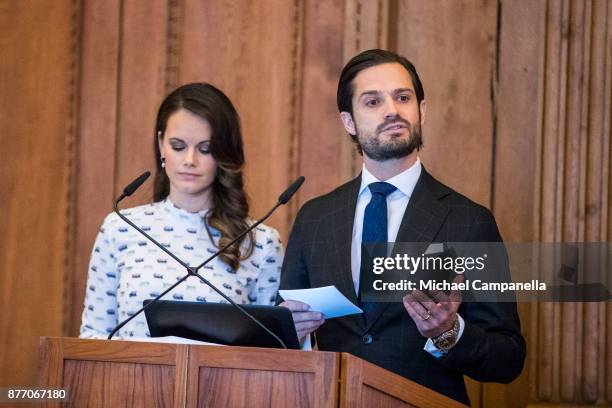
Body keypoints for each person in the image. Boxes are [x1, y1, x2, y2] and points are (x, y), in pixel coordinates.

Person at [279, 49, 526, 405]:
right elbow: (287, 333)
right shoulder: (314, 218)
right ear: (348, 122)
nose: (392, 110)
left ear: (421, 110)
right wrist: (292, 331)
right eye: (373, 101)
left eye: (403, 97)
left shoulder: (469, 221)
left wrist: (448, 333)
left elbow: (508, 358)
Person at [80, 83, 283, 339]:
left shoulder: (261, 242)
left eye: (205, 149)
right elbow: (94, 336)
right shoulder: (119, 228)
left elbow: (270, 351)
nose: (190, 160)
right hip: (128, 379)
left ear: (224, 153)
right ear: (161, 144)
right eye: (178, 146)